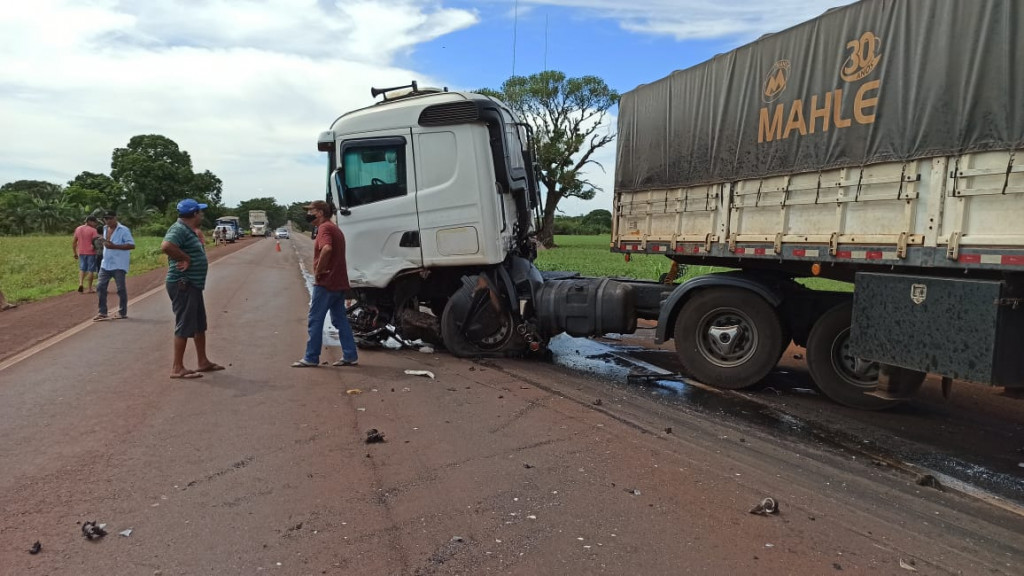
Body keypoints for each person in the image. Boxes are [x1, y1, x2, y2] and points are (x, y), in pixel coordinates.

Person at [160, 198, 225, 379]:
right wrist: (186, 258)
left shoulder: (188, 230)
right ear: (195, 214)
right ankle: (177, 367)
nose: (202, 215)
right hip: (183, 284)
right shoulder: (179, 229)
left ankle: (202, 361)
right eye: (201, 212)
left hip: (192, 285)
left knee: (199, 324)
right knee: (185, 324)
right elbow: (166, 246)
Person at [292, 200, 358, 368]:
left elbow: (327, 249)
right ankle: (350, 355)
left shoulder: (324, 228)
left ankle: (311, 357)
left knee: (315, 319)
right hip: (339, 282)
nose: (308, 214)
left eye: (311, 211)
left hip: (326, 283)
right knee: (339, 319)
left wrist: (319, 270)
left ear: (320, 212)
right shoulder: (334, 228)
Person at [93, 211, 135, 321]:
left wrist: (114, 246)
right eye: (106, 219)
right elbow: (107, 244)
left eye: (110, 218)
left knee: (120, 289)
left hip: (119, 264)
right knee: (100, 287)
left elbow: (131, 245)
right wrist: (105, 243)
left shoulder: (124, 230)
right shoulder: (105, 229)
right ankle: (102, 312)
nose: (108, 221)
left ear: (115, 218)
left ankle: (122, 312)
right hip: (106, 263)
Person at [72, 215, 101, 293]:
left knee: (82, 269)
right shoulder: (93, 230)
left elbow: (74, 242)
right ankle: (90, 288)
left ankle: (81, 284)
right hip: (91, 252)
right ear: (90, 222)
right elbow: (96, 241)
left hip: (81, 252)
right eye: (95, 222)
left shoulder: (78, 229)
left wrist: (75, 252)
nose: (95, 224)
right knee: (91, 270)